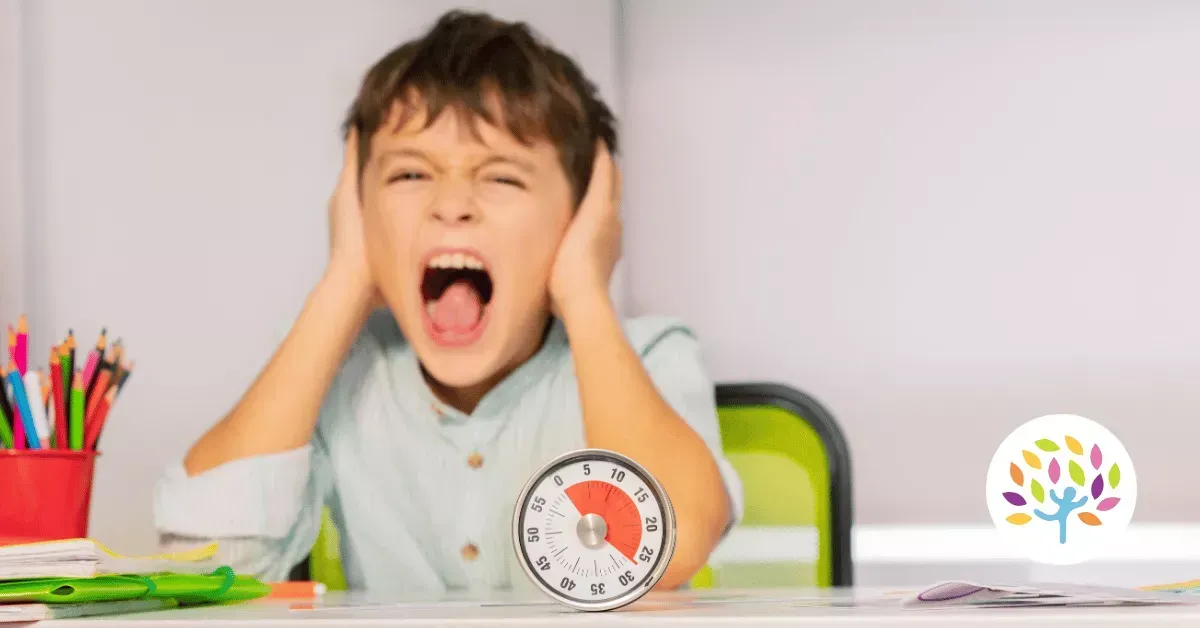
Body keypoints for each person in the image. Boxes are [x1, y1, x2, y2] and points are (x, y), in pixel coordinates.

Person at [153, 10, 742, 593]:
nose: (452, 204)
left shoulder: (651, 356)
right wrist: (347, 278)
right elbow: (200, 566)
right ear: (357, 210)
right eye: (409, 175)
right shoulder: (348, 374)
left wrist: (586, 291)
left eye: (503, 178)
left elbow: (666, 547)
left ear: (583, 216)